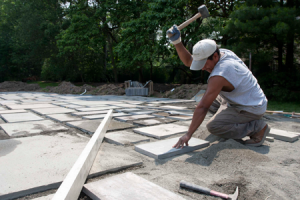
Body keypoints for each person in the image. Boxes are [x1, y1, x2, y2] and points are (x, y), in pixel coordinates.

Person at [167, 25, 270, 147]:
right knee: (203, 99)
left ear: (215, 56)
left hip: (251, 107)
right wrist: (176, 42)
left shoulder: (221, 73)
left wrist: (188, 134)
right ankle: (230, 121)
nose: (203, 68)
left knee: (214, 126)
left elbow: (203, 107)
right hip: (240, 98)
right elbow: (189, 61)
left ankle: (257, 127)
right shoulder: (222, 53)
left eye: (204, 64)